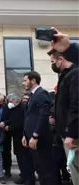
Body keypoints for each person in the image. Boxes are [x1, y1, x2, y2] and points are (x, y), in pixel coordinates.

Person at [48, 44, 79, 184]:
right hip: (65, 134)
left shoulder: (74, 74)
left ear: (60, 59)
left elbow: (75, 106)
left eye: (52, 62)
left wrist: (70, 134)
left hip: (73, 136)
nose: (52, 65)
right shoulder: (65, 76)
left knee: (76, 170)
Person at [22, 71, 57, 185]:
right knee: (39, 168)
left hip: (40, 139)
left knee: (45, 169)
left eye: (25, 80)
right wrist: (24, 134)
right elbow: (29, 116)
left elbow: (43, 116)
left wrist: (35, 135)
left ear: (33, 80)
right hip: (31, 138)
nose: (23, 83)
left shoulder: (42, 94)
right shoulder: (32, 95)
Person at [1, 93, 33, 184]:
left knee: (24, 158)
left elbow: (20, 121)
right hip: (15, 136)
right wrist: (6, 123)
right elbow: (11, 119)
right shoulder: (12, 107)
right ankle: (23, 175)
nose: (9, 103)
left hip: (22, 135)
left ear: (16, 101)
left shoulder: (23, 108)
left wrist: (10, 127)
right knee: (19, 156)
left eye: (10, 101)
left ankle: (28, 178)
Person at [49, 92, 71, 185]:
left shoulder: (54, 109)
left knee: (55, 164)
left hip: (57, 139)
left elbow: (52, 124)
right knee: (64, 162)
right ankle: (66, 178)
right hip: (63, 139)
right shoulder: (66, 107)